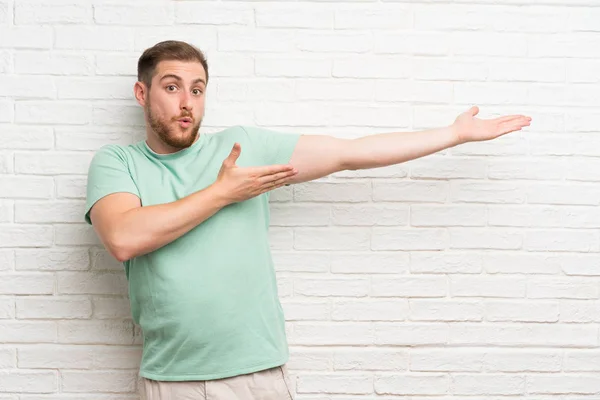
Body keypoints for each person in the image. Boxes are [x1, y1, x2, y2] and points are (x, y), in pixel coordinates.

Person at [84, 40, 531, 400]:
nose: (187, 103)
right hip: (169, 379)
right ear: (142, 93)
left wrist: (452, 135)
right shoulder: (117, 162)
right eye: (172, 86)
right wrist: (223, 193)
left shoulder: (243, 147)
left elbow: (348, 154)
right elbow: (124, 237)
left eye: (197, 90)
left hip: (255, 375)